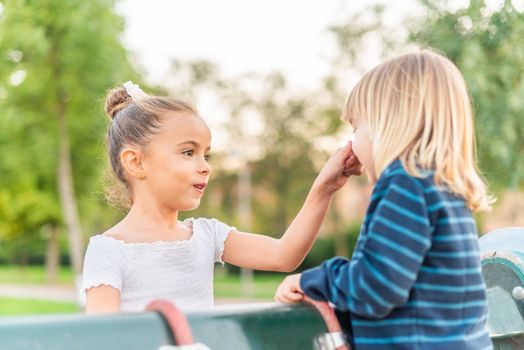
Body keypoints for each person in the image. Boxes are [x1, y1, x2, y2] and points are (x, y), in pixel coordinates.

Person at [274, 50, 494, 350]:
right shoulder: (442, 188)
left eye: (356, 128)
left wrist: (311, 280)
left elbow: (375, 286)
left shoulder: (405, 185)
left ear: (388, 124)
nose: (351, 142)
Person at [82, 81, 362, 314]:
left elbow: (283, 256)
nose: (205, 166)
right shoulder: (109, 250)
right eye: (188, 152)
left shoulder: (207, 235)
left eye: (207, 154)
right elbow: (105, 338)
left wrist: (324, 188)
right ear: (136, 162)